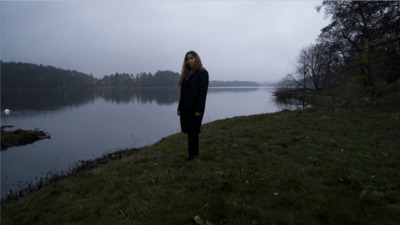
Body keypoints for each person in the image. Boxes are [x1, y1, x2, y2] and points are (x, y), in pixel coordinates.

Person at [177, 51, 209, 161]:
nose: (189, 60)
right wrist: (179, 108)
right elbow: (183, 93)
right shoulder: (187, 74)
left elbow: (202, 93)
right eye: (187, 59)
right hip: (186, 108)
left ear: (196, 59)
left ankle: (192, 155)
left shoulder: (202, 73)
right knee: (189, 132)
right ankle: (193, 154)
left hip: (195, 108)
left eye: (192, 58)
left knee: (193, 131)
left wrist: (199, 109)